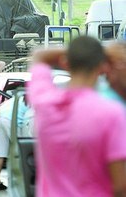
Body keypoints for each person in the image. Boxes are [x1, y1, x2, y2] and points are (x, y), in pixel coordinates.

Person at [27, 36, 126, 196]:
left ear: (65, 63)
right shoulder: (111, 113)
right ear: (103, 67)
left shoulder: (43, 102)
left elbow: (40, 56)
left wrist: (87, 53)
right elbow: (120, 187)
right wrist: (99, 53)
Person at [0, 94, 30, 191]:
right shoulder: (32, 100)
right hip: (11, 121)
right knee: (20, 152)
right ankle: (17, 182)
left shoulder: (15, 98)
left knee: (0, 153)